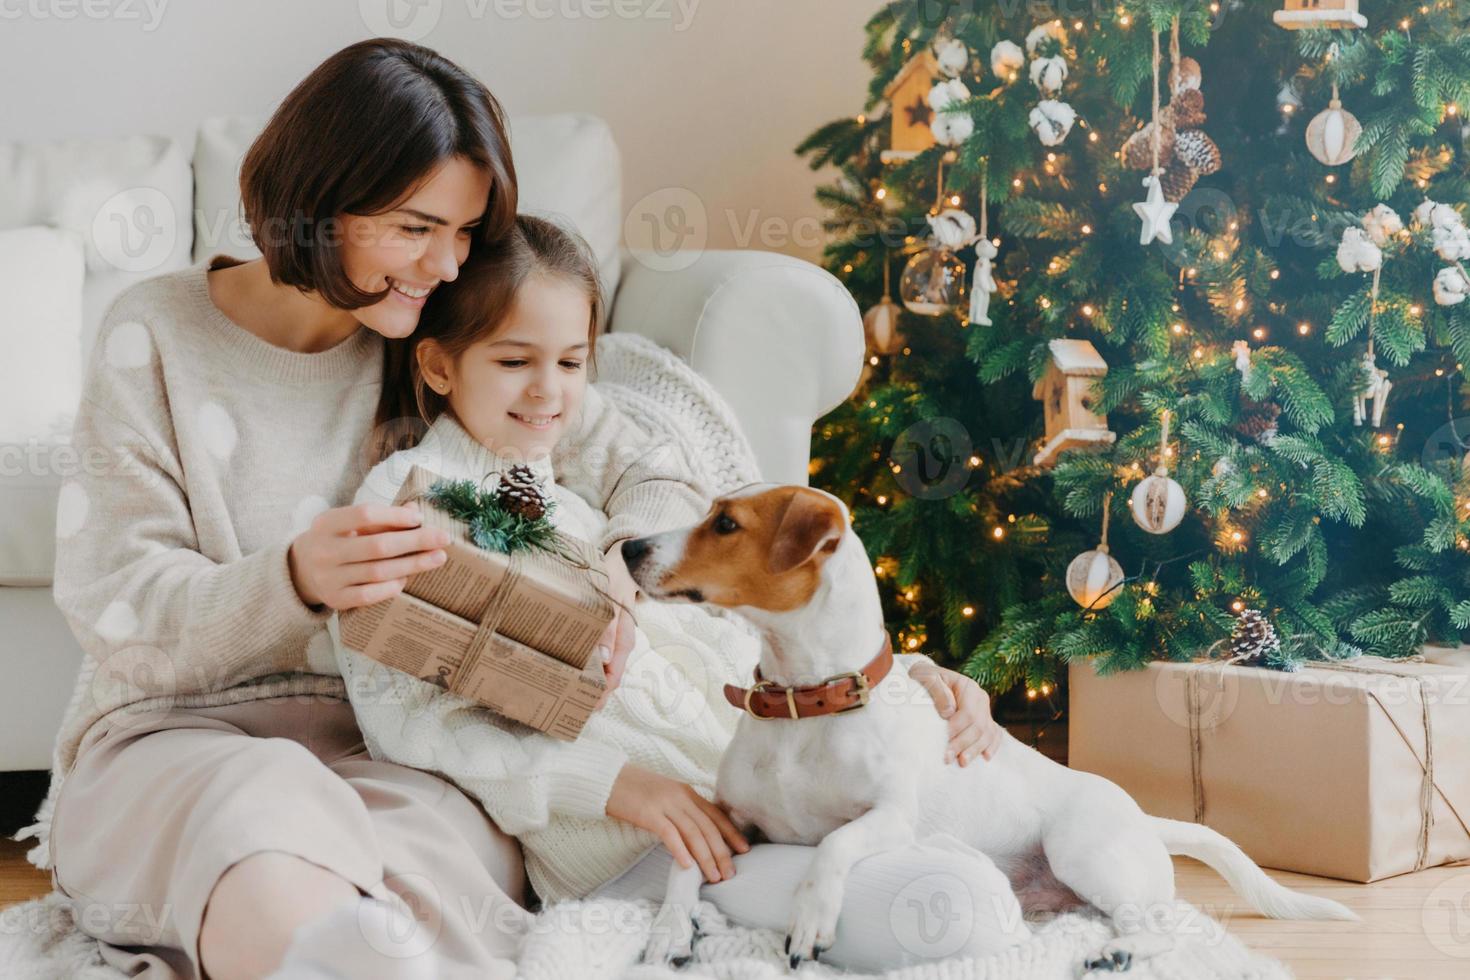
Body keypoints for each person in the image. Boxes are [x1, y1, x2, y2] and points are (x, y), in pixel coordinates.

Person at [19, 36, 1000, 980]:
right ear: (316, 205)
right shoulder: (154, 333)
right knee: (259, 839)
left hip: (392, 741)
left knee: (436, 890)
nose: (446, 266)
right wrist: (290, 579)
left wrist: (622, 568)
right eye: (415, 228)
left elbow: (637, 458)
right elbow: (120, 606)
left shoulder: (430, 337)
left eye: (461, 234)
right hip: (182, 730)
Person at [335, 215, 1014, 972]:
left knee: (988, 816)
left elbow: (753, 619)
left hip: (764, 793)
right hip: (641, 847)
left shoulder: (566, 489)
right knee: (957, 904)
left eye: (571, 362)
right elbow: (408, 727)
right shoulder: (409, 504)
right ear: (436, 367)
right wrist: (613, 785)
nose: (549, 392)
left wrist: (910, 684)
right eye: (514, 361)